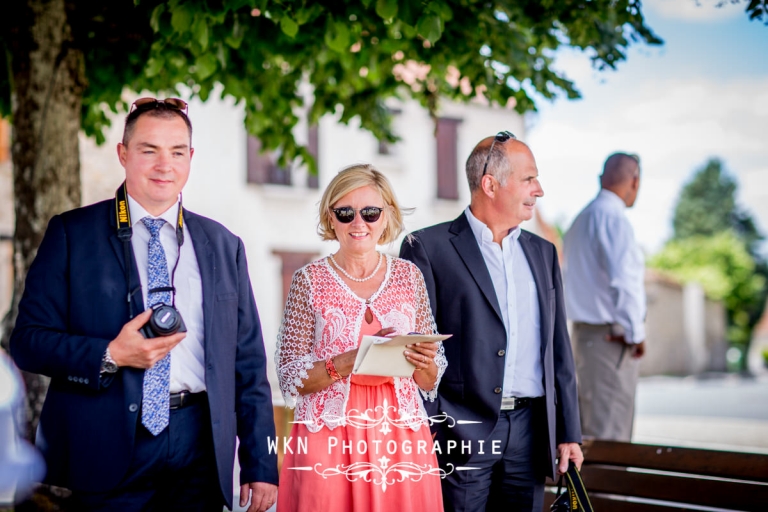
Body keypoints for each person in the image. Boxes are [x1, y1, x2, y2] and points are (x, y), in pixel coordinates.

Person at [9, 98, 278, 512]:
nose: (163, 165)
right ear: (123, 154)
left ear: (191, 158)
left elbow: (248, 365)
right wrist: (110, 354)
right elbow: (27, 341)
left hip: (199, 445)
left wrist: (262, 463)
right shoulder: (71, 234)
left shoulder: (225, 245)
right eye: (148, 150)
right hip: (104, 443)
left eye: (177, 152)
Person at [400, 132, 583, 512]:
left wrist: (568, 432)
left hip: (532, 433)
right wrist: (438, 427)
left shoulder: (543, 253)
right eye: (529, 178)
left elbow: (558, 350)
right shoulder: (426, 248)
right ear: (490, 184)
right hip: (460, 432)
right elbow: (416, 349)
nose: (540, 190)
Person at [275, 164, 447, 512]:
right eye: (345, 212)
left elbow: (432, 378)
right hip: (328, 435)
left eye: (370, 212)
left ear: (387, 216)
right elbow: (290, 377)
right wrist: (354, 359)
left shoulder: (409, 276)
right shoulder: (308, 280)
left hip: (400, 434)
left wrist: (423, 361)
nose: (359, 223)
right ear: (330, 217)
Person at [562, 152, 646, 442]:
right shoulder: (613, 219)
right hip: (610, 340)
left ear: (601, 179)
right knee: (610, 435)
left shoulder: (581, 219)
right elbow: (624, 283)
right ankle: (602, 491)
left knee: (589, 430)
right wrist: (636, 333)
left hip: (584, 337)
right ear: (634, 181)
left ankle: (591, 490)